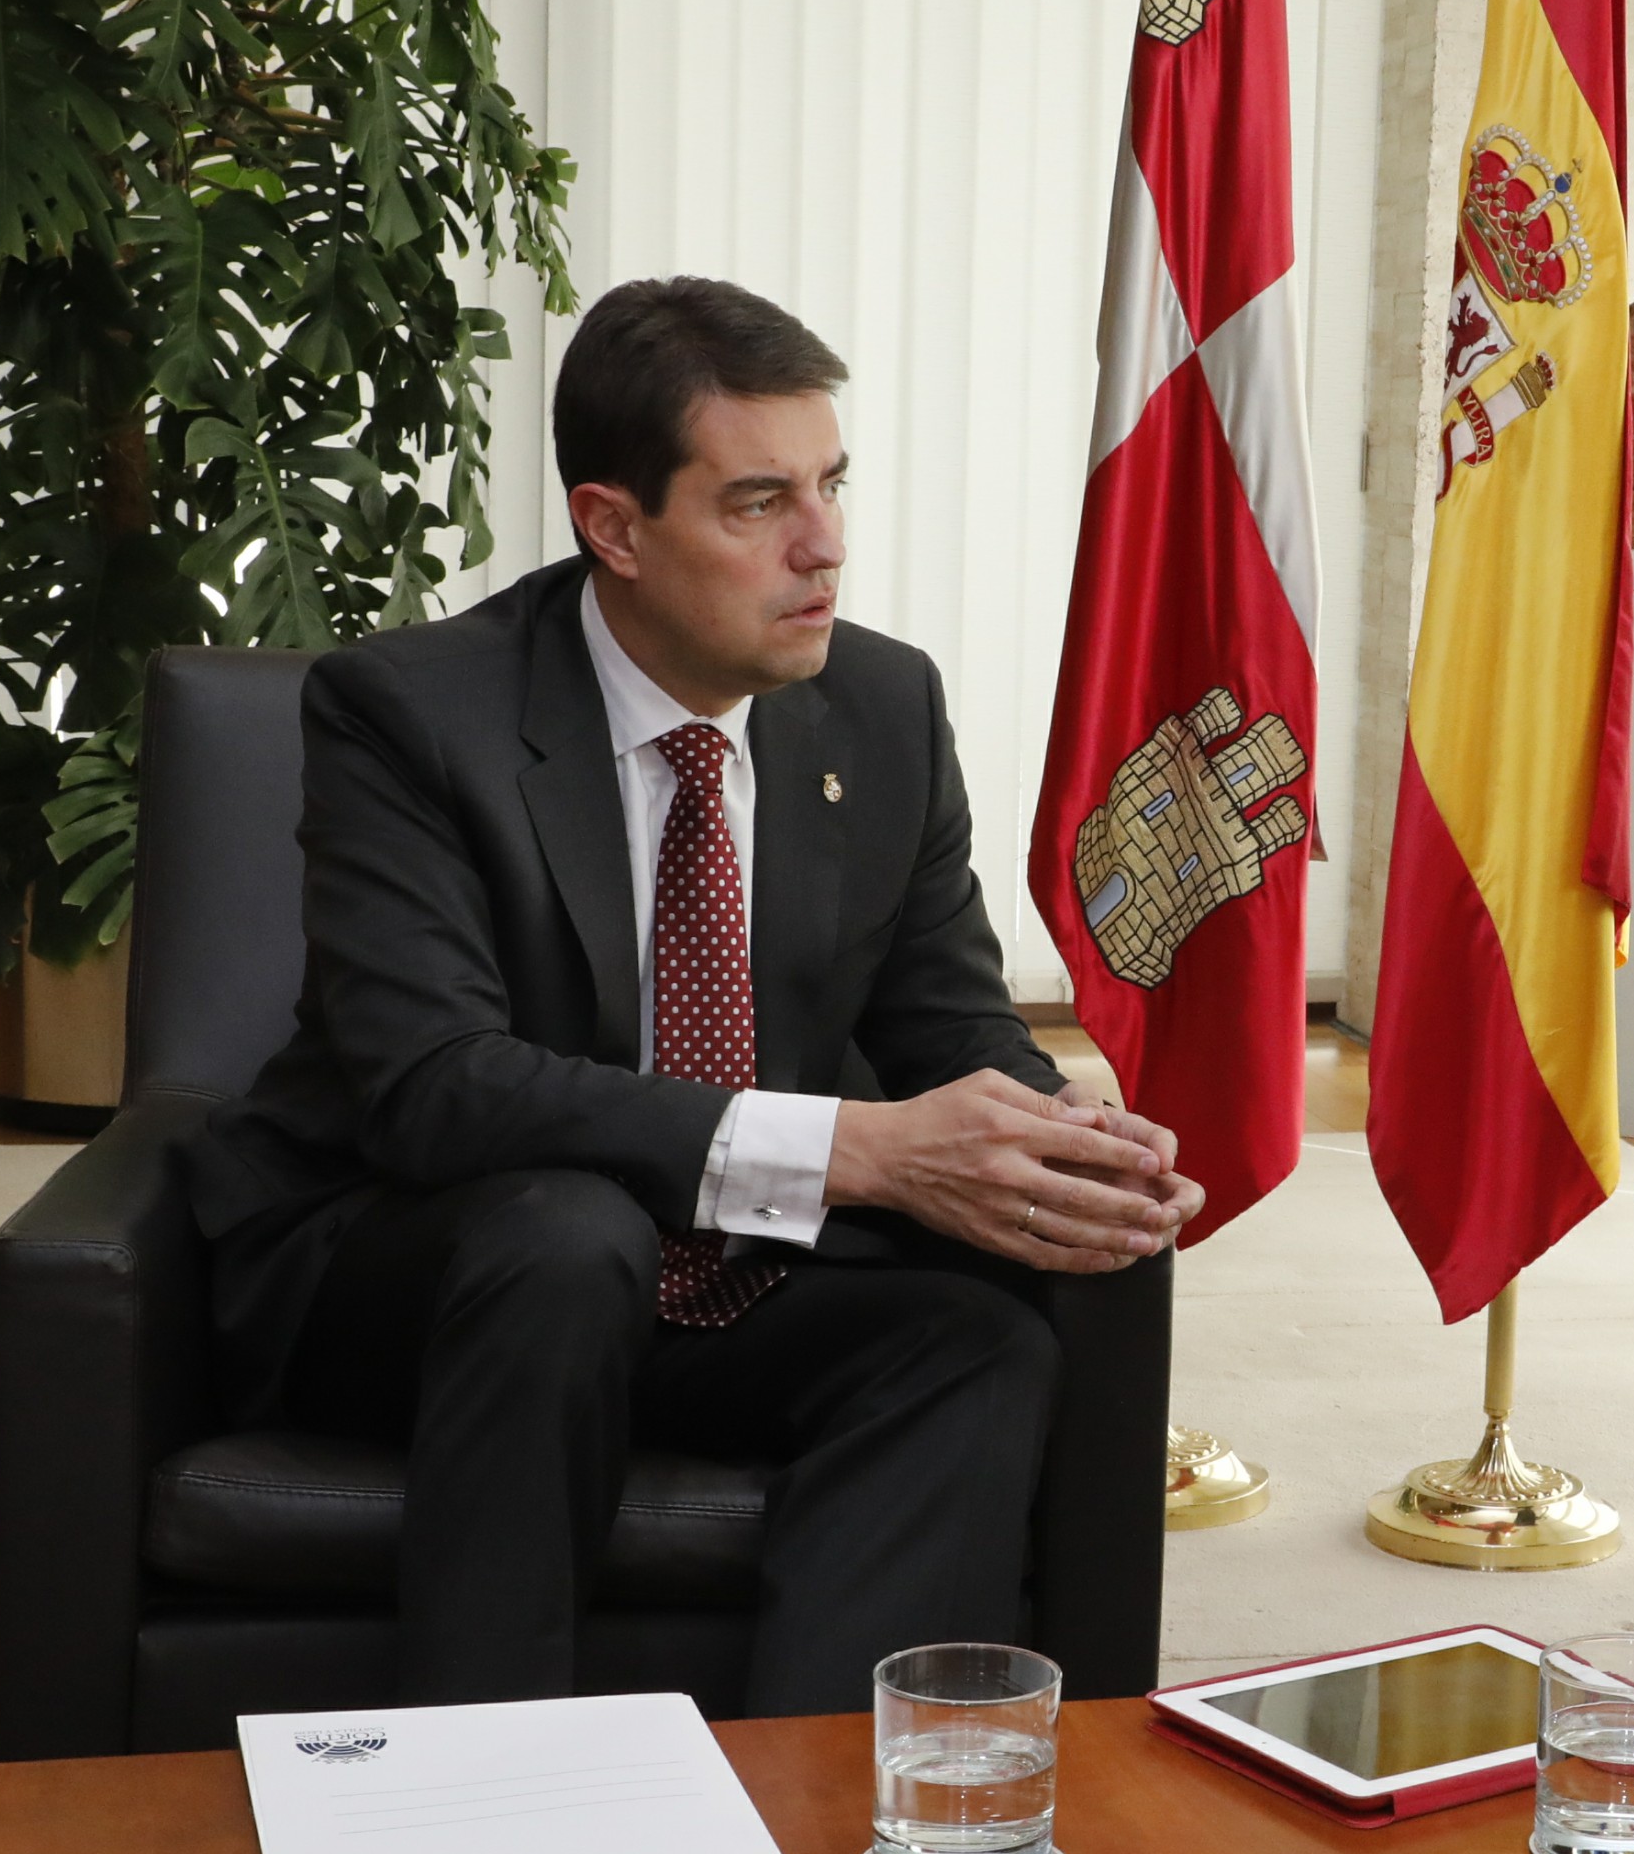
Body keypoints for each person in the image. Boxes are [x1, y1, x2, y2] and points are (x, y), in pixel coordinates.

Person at [190, 276, 1201, 1715]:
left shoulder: (883, 707)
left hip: (728, 1274)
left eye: (832, 487)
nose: (824, 548)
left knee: (969, 1342)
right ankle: (493, 1787)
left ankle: (829, 1792)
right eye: (757, 503)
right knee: (567, 1233)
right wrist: (855, 1150)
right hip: (426, 1276)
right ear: (615, 527)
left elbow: (948, 1025)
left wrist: (1059, 1144)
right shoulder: (413, 713)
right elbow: (434, 1086)